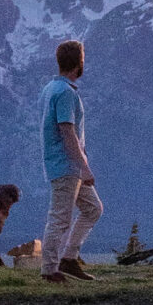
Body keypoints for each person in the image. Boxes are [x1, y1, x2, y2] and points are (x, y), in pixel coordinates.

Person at [39, 39, 102, 282]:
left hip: (62, 164)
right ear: (79, 63)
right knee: (59, 217)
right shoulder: (65, 93)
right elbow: (67, 131)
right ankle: (49, 269)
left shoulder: (49, 89)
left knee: (93, 208)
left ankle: (69, 257)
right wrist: (84, 167)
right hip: (67, 165)